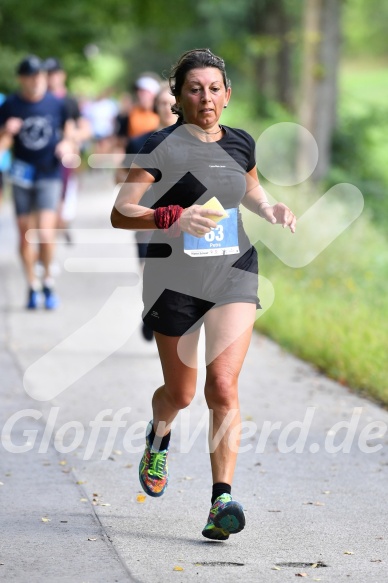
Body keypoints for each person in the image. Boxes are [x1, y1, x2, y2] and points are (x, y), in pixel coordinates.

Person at [111, 48, 296, 540]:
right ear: (179, 97)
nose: (206, 97)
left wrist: (270, 207)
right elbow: (121, 210)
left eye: (214, 88)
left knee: (223, 387)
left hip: (233, 272)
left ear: (228, 95)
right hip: (173, 280)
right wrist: (171, 217)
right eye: (195, 89)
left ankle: (221, 501)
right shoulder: (160, 145)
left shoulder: (240, 144)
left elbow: (249, 189)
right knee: (182, 393)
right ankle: (158, 436)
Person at [0, 55, 73, 309]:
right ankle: (31, 285)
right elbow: (2, 144)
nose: (36, 80)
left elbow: (70, 132)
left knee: (44, 232)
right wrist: (7, 131)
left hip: (48, 174)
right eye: (30, 76)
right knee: (24, 237)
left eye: (40, 75)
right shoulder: (10, 104)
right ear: (21, 79)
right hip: (21, 175)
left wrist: (66, 144)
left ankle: (48, 281)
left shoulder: (56, 104)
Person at [116, 83, 177, 342]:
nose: (167, 108)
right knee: (150, 269)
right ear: (156, 107)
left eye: (171, 103)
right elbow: (120, 173)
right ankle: (152, 309)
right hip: (145, 215)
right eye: (162, 103)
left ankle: (165, 313)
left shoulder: (192, 141)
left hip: (179, 218)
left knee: (174, 269)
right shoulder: (141, 141)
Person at [44, 57, 92, 241]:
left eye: (54, 74)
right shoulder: (39, 100)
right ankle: (54, 231)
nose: (51, 78)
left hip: (65, 157)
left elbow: (86, 129)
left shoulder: (69, 101)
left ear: (62, 75)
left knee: (62, 198)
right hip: (43, 157)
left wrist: (70, 138)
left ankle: (58, 227)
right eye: (48, 74)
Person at [115, 74, 160, 151]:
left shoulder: (161, 113)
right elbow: (121, 139)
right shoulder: (128, 113)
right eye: (138, 91)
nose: (140, 95)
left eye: (143, 92)